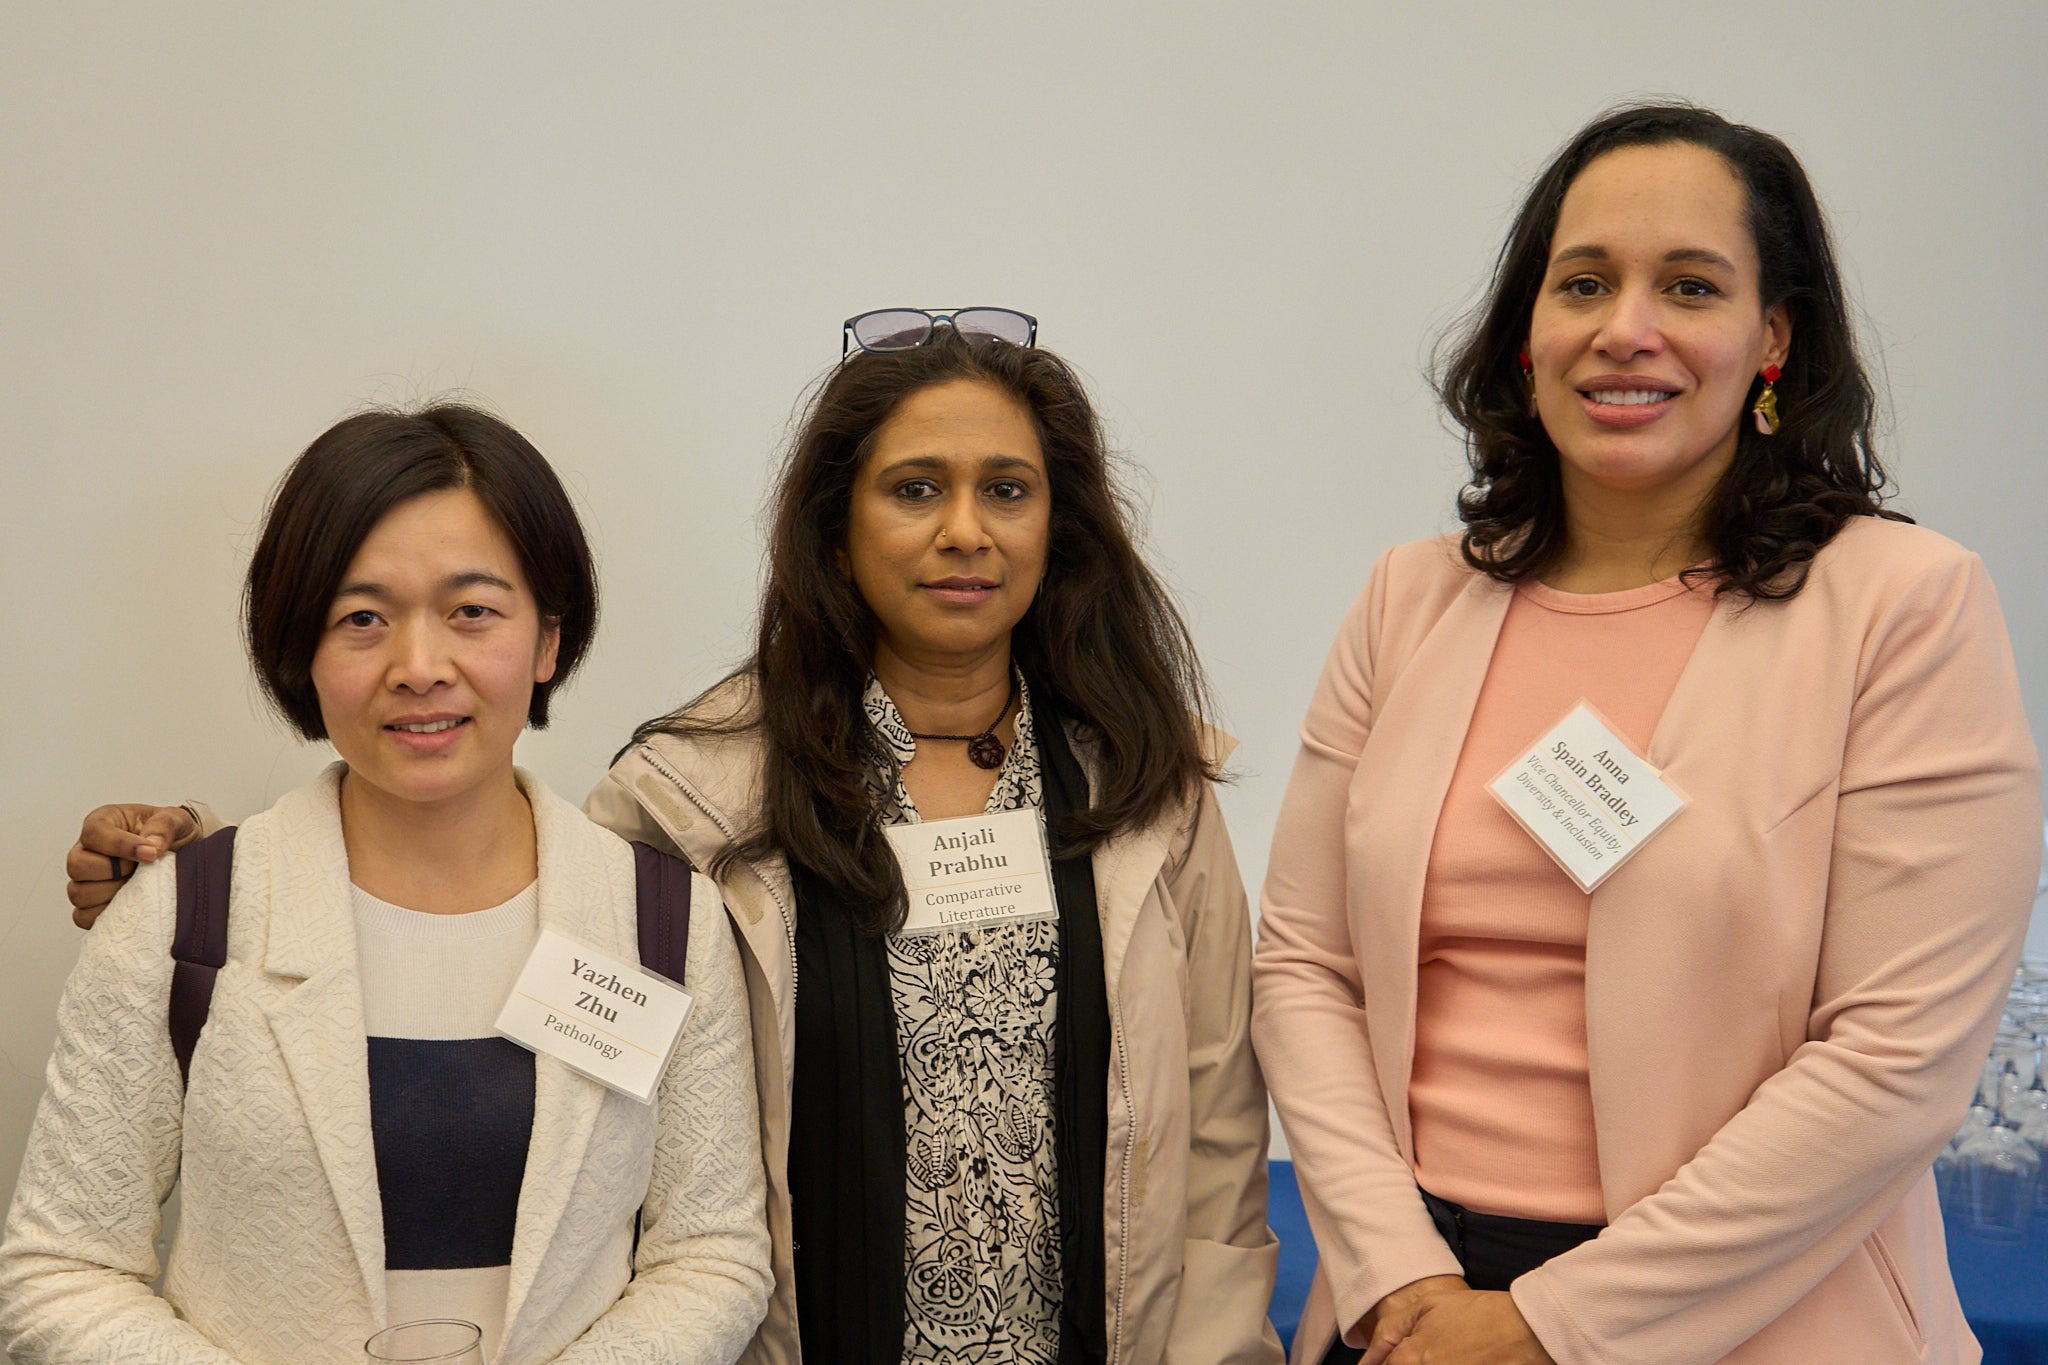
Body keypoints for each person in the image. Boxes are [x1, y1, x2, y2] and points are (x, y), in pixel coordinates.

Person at [63, 317, 1283, 1365]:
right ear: (836, 525)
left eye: (1005, 490)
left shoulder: (1142, 793)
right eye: (914, 489)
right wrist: (215, 879)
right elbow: (487, 943)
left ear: (1057, 524)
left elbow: (1217, 1135)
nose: (963, 530)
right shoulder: (695, 800)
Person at [1251, 104, 2041, 1365]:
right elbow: (1301, 964)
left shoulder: (1903, 607)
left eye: (1687, 285)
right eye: (1582, 283)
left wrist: (1551, 1323)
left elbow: (1892, 1060)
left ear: (1768, 337)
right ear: (1527, 334)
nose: (1626, 330)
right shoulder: (1408, 600)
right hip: (1405, 1308)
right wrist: (1397, 1276)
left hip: (1752, 1315)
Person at [4, 406, 771, 1364]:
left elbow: (711, 1251)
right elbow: (60, 1267)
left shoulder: (664, 921)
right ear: (303, 652)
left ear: (547, 642)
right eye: (361, 618)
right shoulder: (180, 918)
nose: (418, 667)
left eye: (473, 611)